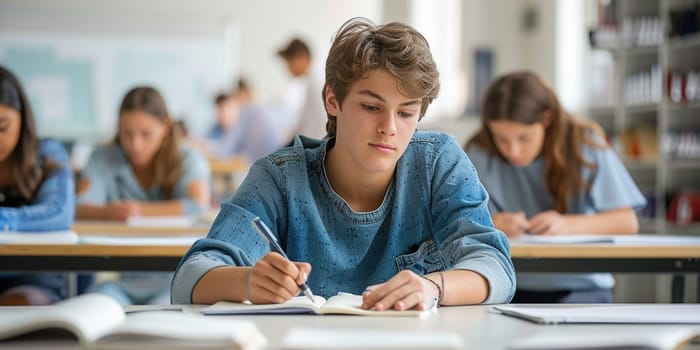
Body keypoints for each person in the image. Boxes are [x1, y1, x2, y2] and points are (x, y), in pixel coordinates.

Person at [171, 17, 515, 309]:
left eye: (407, 112)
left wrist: (434, 287)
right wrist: (245, 282)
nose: (389, 128)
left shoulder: (439, 161)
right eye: (371, 106)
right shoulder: (279, 176)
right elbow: (190, 276)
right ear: (332, 100)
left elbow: (496, 266)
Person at [465, 71, 647, 303]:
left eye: (524, 138)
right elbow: (456, 223)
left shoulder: (585, 143)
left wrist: (567, 224)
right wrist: (492, 223)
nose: (513, 151)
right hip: (503, 287)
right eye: (501, 139)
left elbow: (627, 222)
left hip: (582, 289)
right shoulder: (478, 152)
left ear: (546, 120)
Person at [76, 86, 211, 304]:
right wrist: (107, 212)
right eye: (126, 133)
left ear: (166, 127)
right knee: (95, 302)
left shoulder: (189, 158)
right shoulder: (102, 157)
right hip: (122, 281)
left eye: (146, 134)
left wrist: (138, 211)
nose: (135, 145)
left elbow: (198, 204)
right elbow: (81, 206)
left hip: (175, 279)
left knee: (164, 315)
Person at [0, 65, 75, 305]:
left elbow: (58, 213)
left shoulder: (47, 153)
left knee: (21, 303)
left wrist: (4, 220)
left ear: (23, 119)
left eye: (3, 127)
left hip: (33, 277)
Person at [202, 90, 284, 162]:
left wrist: (205, 145)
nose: (223, 114)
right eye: (219, 110)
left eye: (227, 108)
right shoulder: (218, 126)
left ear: (236, 105)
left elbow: (224, 151)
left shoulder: (247, 114)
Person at [277, 37, 327, 140]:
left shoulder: (316, 86)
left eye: (289, 61)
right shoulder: (312, 84)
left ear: (302, 58)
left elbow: (320, 126)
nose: (287, 67)